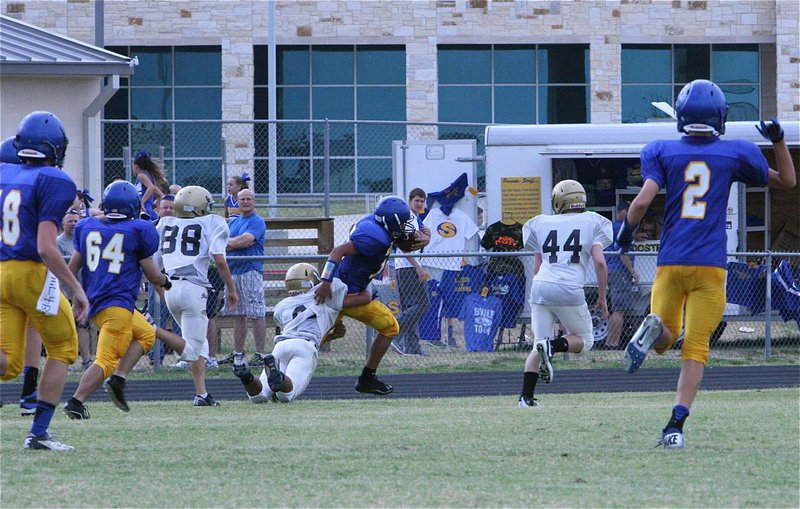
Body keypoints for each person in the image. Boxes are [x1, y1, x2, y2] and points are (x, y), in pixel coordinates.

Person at [616, 79, 796, 449]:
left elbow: (641, 203)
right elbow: (788, 182)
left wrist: (625, 236)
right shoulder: (735, 153)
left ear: (681, 115)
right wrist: (778, 140)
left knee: (664, 342)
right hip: (710, 266)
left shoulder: (661, 150)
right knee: (695, 349)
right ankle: (675, 427)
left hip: (670, 262)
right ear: (720, 116)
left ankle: (655, 328)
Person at [1, 111, 89, 451]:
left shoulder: (5, 171)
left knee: (8, 364)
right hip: (29, 272)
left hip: (2, 271)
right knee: (64, 349)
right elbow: (46, 247)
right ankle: (38, 434)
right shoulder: (54, 180)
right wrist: (76, 287)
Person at [62, 181, 185, 419]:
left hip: (96, 303)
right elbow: (152, 275)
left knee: (147, 334)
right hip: (116, 305)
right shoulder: (137, 230)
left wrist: (76, 294)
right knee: (105, 360)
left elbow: (72, 266)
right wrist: (167, 282)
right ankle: (75, 401)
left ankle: (118, 380)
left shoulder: (87, 226)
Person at [314, 196, 429, 395]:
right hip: (341, 291)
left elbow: (404, 240)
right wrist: (325, 282)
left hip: (358, 288)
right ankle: (284, 366)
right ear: (390, 223)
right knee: (314, 338)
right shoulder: (373, 236)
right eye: (403, 224)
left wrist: (426, 237)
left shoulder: (383, 223)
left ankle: (368, 378)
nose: (407, 227)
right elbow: (338, 251)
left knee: (390, 327)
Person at [518, 179, 612, 407]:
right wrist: (602, 296)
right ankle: (552, 347)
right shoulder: (594, 221)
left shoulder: (539, 223)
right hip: (569, 287)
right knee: (586, 339)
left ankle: (525, 398)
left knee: (538, 344)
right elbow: (599, 262)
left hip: (541, 286)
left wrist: (539, 292)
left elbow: (537, 265)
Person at [232, 263, 370, 402]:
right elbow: (365, 298)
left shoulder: (283, 305)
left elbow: (297, 329)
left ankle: (247, 376)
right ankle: (278, 375)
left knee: (259, 396)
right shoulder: (326, 298)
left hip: (281, 345)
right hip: (305, 346)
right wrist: (368, 280)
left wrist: (330, 336)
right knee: (286, 395)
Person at [155, 185, 238, 406]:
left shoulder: (165, 223)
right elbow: (219, 260)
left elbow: (154, 265)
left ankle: (201, 394)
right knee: (192, 349)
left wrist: (162, 293)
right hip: (194, 288)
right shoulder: (213, 222)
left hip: (170, 286)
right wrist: (231, 290)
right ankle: (152, 330)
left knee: (199, 346)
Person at [1, 136, 48, 416]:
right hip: (20, 267)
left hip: (12, 268)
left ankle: (29, 391)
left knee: (30, 329)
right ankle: (30, 392)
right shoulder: (28, 190)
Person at [222, 188, 268, 366]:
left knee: (256, 313)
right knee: (238, 314)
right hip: (233, 272)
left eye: (249, 199)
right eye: (242, 199)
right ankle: (238, 354)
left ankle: (260, 354)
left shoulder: (257, 222)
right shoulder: (233, 223)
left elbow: (245, 241)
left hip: (250, 270)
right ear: (237, 202)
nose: (246, 202)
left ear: (254, 201)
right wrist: (233, 244)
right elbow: (221, 244)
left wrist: (232, 244)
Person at [391, 188, 431, 356]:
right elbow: (405, 247)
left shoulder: (416, 219)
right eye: (417, 201)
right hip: (408, 267)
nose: (420, 204)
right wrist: (418, 267)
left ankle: (413, 348)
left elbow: (416, 244)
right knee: (423, 304)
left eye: (422, 201)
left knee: (410, 307)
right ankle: (392, 332)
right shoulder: (409, 218)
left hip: (407, 267)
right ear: (410, 200)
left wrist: (427, 236)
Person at [56, 209, 96, 370]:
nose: (73, 224)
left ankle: (92, 359)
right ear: (63, 224)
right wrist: (61, 291)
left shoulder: (85, 239)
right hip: (68, 290)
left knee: (89, 325)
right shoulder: (58, 242)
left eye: (76, 221)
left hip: (86, 289)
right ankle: (76, 359)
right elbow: (55, 269)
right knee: (73, 326)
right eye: (70, 221)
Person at [603, 201, 639, 349]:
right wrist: (632, 272)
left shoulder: (611, 226)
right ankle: (613, 344)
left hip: (610, 270)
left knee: (616, 310)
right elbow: (622, 252)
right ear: (623, 211)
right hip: (620, 271)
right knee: (619, 311)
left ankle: (609, 342)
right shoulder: (624, 227)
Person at [132, 150, 167, 221]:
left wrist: (142, 202)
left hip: (144, 211)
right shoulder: (146, 176)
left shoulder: (141, 175)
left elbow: (151, 187)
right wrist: (157, 206)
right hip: (147, 209)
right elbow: (160, 195)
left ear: (136, 167)